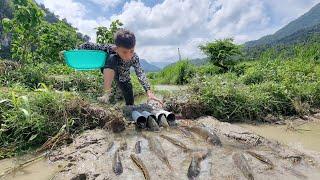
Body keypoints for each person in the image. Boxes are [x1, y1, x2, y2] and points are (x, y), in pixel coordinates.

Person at [78, 28, 163, 106]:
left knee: (130, 104)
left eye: (132, 51)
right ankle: (106, 94)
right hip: (109, 69)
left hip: (124, 79)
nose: (129, 56)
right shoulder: (110, 48)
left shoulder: (134, 57)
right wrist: (77, 49)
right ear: (117, 48)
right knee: (112, 57)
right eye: (124, 52)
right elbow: (87, 45)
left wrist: (148, 91)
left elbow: (140, 73)